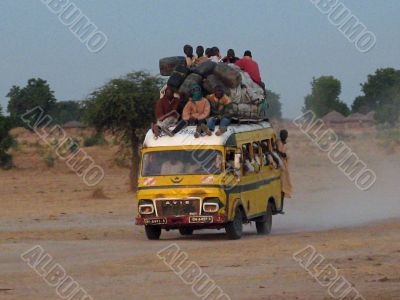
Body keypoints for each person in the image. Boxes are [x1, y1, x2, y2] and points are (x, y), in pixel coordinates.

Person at [277, 130, 293, 198]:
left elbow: (285, 155)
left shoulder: (288, 145)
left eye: (284, 134)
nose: (283, 136)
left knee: (285, 183)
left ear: (286, 136)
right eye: (282, 134)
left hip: (284, 166)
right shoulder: (277, 142)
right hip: (277, 165)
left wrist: (277, 152)